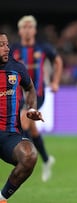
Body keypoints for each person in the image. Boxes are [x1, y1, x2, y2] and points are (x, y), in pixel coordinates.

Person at [11, 15, 63, 182]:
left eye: (30, 27)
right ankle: (47, 160)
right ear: (20, 31)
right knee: (32, 129)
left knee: (24, 122)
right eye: (24, 27)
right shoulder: (14, 49)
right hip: (18, 95)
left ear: (34, 30)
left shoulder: (43, 47)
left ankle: (25, 160)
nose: (27, 30)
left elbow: (57, 61)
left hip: (37, 94)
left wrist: (55, 81)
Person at [0, 33, 44, 202]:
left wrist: (31, 108)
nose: (7, 48)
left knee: (29, 156)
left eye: (7, 44)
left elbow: (30, 88)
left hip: (9, 135)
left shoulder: (16, 67)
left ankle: (2, 198)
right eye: (1, 45)